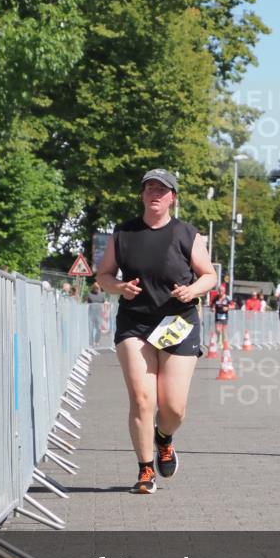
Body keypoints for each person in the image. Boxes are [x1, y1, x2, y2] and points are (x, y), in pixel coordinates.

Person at [95, 168, 216, 495]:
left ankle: (164, 439)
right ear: (142, 195)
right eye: (149, 188)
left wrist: (193, 291)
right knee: (142, 398)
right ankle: (145, 469)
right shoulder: (123, 233)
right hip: (136, 323)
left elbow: (209, 276)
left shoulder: (187, 234)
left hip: (178, 322)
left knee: (173, 408)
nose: (155, 194)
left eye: (162, 190)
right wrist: (119, 287)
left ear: (172, 198)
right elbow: (103, 276)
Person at [86, 283, 104, 347]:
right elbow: (87, 303)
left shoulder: (101, 294)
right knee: (90, 329)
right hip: (91, 314)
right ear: (93, 288)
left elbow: (103, 303)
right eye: (96, 288)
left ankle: (97, 341)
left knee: (99, 328)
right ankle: (91, 343)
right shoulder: (89, 294)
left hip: (99, 314)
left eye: (98, 288)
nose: (97, 289)